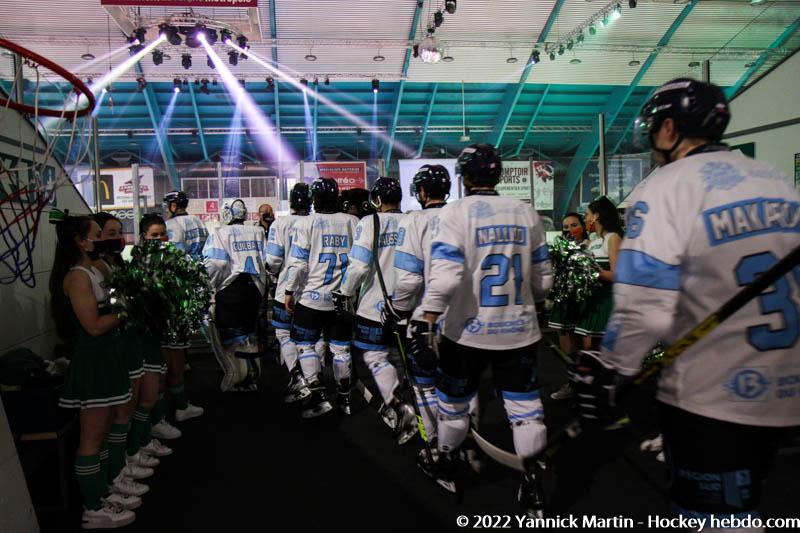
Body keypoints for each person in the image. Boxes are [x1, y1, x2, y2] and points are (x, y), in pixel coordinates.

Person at [573, 78, 800, 529]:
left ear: (669, 129)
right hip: (784, 383)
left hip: (712, 393)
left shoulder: (666, 187)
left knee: (712, 518)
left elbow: (644, 302)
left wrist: (612, 367)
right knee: (748, 505)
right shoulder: (774, 179)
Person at [419, 144, 553, 511]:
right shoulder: (526, 212)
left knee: (453, 406)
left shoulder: (455, 212)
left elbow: (446, 276)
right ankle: (533, 485)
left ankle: (446, 460)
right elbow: (543, 280)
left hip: (466, 333)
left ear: (464, 176)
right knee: (526, 411)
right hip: (520, 330)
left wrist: (427, 316)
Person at [50, 215, 138, 528]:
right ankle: (92, 508)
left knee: (102, 435)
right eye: (98, 235)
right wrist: (127, 309)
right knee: (91, 438)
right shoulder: (77, 277)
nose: (104, 240)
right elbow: (94, 326)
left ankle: (102, 491)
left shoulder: (95, 269)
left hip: (109, 357)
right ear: (81, 242)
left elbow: (112, 302)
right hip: (94, 362)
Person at [333, 177, 415, 439]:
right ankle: (414, 406)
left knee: (375, 357)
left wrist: (344, 292)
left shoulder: (370, 222)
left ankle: (397, 404)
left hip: (375, 305)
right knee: (402, 358)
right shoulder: (413, 220)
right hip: (409, 304)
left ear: (377, 199)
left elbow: (359, 266)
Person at [92, 213, 158, 495]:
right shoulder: (92, 270)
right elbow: (104, 316)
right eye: (108, 233)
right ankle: (112, 478)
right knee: (110, 421)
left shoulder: (117, 263)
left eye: (119, 232)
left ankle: (126, 461)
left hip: (126, 342)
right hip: (109, 349)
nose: (117, 238)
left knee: (126, 410)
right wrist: (130, 306)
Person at [285, 178, 358, 418]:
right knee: (340, 349)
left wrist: (289, 291)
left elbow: (298, 264)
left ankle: (318, 396)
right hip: (342, 298)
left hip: (312, 297)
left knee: (305, 344)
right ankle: (345, 398)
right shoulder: (352, 221)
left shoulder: (307, 223)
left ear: (314, 198)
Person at [391, 164, 451, 449]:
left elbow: (409, 279)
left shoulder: (413, 220)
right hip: (464, 320)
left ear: (422, 191)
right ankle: (460, 441)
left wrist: (396, 308)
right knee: (460, 387)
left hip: (426, 319)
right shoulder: (462, 216)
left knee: (424, 385)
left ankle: (436, 445)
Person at [265, 183, 324, 403]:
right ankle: (315, 378)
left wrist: (272, 271)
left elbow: (273, 260)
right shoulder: (317, 221)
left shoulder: (280, 223)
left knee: (284, 334)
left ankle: (298, 376)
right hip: (313, 290)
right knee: (313, 338)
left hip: (286, 289)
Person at [203, 199, 269, 392]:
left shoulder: (221, 233)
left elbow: (217, 263)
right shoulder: (257, 231)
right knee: (249, 334)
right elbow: (266, 260)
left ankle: (236, 379)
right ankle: (252, 377)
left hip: (232, 288)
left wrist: (209, 283)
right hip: (255, 288)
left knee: (230, 337)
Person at [161, 190, 206, 422]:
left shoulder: (172, 225)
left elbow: (173, 257)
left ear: (172, 205)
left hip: (179, 284)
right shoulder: (198, 221)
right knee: (183, 331)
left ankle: (180, 365)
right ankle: (183, 361)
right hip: (196, 279)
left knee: (174, 337)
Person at [134, 214, 177, 452]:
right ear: (144, 236)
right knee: (149, 387)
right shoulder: (139, 263)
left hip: (160, 328)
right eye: (154, 235)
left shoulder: (169, 258)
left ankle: (156, 423)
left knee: (160, 377)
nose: (160, 239)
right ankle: (142, 438)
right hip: (145, 332)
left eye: (163, 234)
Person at [548, 212, 589, 400]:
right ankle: (572, 382)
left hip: (585, 301)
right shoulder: (559, 246)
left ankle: (590, 384)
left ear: (582, 225)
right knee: (565, 339)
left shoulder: (591, 244)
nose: (570, 230)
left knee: (587, 344)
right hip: (564, 299)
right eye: (565, 227)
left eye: (574, 225)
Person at [573, 196, 623, 349]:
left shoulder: (613, 238)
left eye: (587, 214)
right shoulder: (592, 241)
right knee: (589, 348)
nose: (585, 219)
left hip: (607, 302)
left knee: (603, 350)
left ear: (596, 216)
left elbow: (618, 275)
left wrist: (591, 272)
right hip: (592, 300)